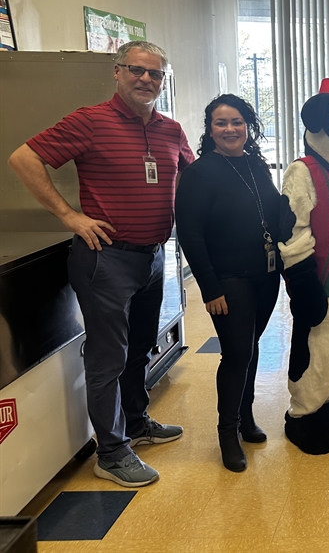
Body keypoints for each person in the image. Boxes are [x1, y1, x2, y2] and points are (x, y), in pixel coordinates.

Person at [7, 41, 193, 488]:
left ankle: (135, 422)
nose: (146, 79)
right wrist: (71, 216)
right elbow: (23, 158)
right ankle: (110, 452)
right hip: (105, 259)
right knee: (108, 357)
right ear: (117, 72)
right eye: (137, 70)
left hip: (153, 257)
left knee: (140, 347)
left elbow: (191, 177)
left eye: (155, 74)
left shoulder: (171, 130)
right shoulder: (90, 121)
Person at [175, 95, 281, 472]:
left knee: (250, 347)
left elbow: (275, 214)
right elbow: (190, 234)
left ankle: (246, 417)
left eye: (237, 122)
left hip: (266, 275)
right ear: (210, 129)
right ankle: (227, 432)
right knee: (236, 353)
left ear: (247, 126)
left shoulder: (256, 165)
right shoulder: (199, 173)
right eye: (221, 123)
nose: (230, 129)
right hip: (228, 279)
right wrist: (210, 287)